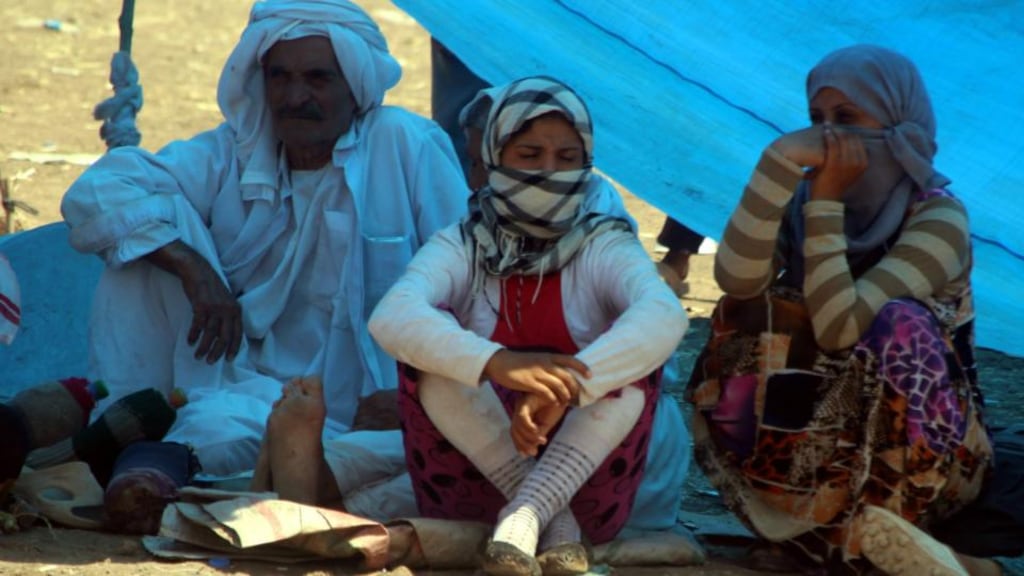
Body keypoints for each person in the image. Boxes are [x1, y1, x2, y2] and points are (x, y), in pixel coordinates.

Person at [59, 0, 469, 477]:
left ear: (355, 87)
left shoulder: (403, 144)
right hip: (244, 391)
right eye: (280, 77)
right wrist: (195, 269)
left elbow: (467, 279)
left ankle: (148, 462)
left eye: (318, 78)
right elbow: (98, 190)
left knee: (404, 458)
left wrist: (414, 399)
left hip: (371, 405)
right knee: (141, 233)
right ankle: (136, 423)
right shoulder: (233, 153)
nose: (295, 97)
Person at [687, 44, 998, 576]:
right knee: (750, 313)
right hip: (814, 446)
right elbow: (736, 279)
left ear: (901, 125)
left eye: (847, 119)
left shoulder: (939, 219)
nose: (828, 138)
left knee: (901, 325)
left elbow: (839, 329)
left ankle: (902, 542)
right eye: (816, 121)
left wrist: (826, 202)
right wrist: (776, 165)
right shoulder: (804, 199)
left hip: (930, 456)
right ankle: (803, 525)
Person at [368, 76, 688, 575]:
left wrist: (566, 386)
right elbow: (393, 315)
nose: (548, 172)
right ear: (495, 157)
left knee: (631, 362)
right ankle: (547, 520)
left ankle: (524, 516)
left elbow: (663, 314)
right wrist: (498, 363)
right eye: (530, 154)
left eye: (566, 158)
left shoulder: (603, 243)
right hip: (467, 487)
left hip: (592, 493)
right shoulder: (462, 244)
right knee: (429, 350)